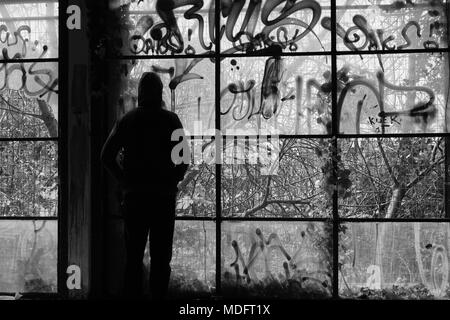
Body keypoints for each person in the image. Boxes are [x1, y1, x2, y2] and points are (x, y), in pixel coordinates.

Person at [101, 72, 189, 299]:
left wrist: (123, 181)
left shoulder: (127, 120)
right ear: (160, 93)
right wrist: (173, 179)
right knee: (161, 258)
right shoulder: (171, 120)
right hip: (163, 197)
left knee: (133, 257)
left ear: (140, 93)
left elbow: (106, 156)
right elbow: (184, 158)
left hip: (135, 198)